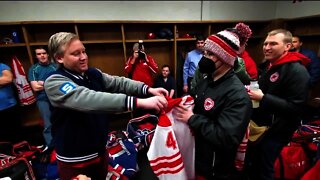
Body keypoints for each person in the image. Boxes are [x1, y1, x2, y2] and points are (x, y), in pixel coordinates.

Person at [44, 32, 168, 180]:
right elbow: (89, 99)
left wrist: (148, 89)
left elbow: (118, 82)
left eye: (84, 51)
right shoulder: (54, 82)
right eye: (76, 54)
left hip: (100, 151)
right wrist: (139, 102)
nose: (83, 57)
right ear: (59, 58)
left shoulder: (92, 73)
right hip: (75, 159)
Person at [172, 23, 253, 179]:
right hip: (199, 158)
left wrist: (193, 119)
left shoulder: (238, 96)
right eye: (205, 53)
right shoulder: (206, 80)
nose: (205, 58)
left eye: (210, 54)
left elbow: (226, 138)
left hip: (215, 168)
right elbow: (196, 100)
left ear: (225, 58)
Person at [245, 29, 310, 180]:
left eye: (273, 44)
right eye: (266, 43)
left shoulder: (297, 71)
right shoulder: (270, 65)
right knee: (256, 164)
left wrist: (263, 98)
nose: (267, 47)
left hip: (278, 131)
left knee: (266, 168)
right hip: (263, 128)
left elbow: (296, 107)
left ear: (287, 46)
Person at [28, 46, 57, 149]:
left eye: (44, 53)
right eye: (39, 54)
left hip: (57, 98)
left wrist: (43, 83)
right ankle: (51, 148)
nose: (42, 55)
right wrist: (51, 84)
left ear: (48, 54)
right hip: (43, 99)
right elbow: (35, 88)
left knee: (61, 121)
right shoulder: (34, 69)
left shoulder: (55, 66)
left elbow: (61, 83)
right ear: (36, 56)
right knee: (48, 125)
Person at [0, 62, 21, 143]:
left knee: (15, 135)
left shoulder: (2, 66)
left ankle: (20, 153)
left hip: (9, 106)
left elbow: (8, 79)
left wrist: (3, 81)